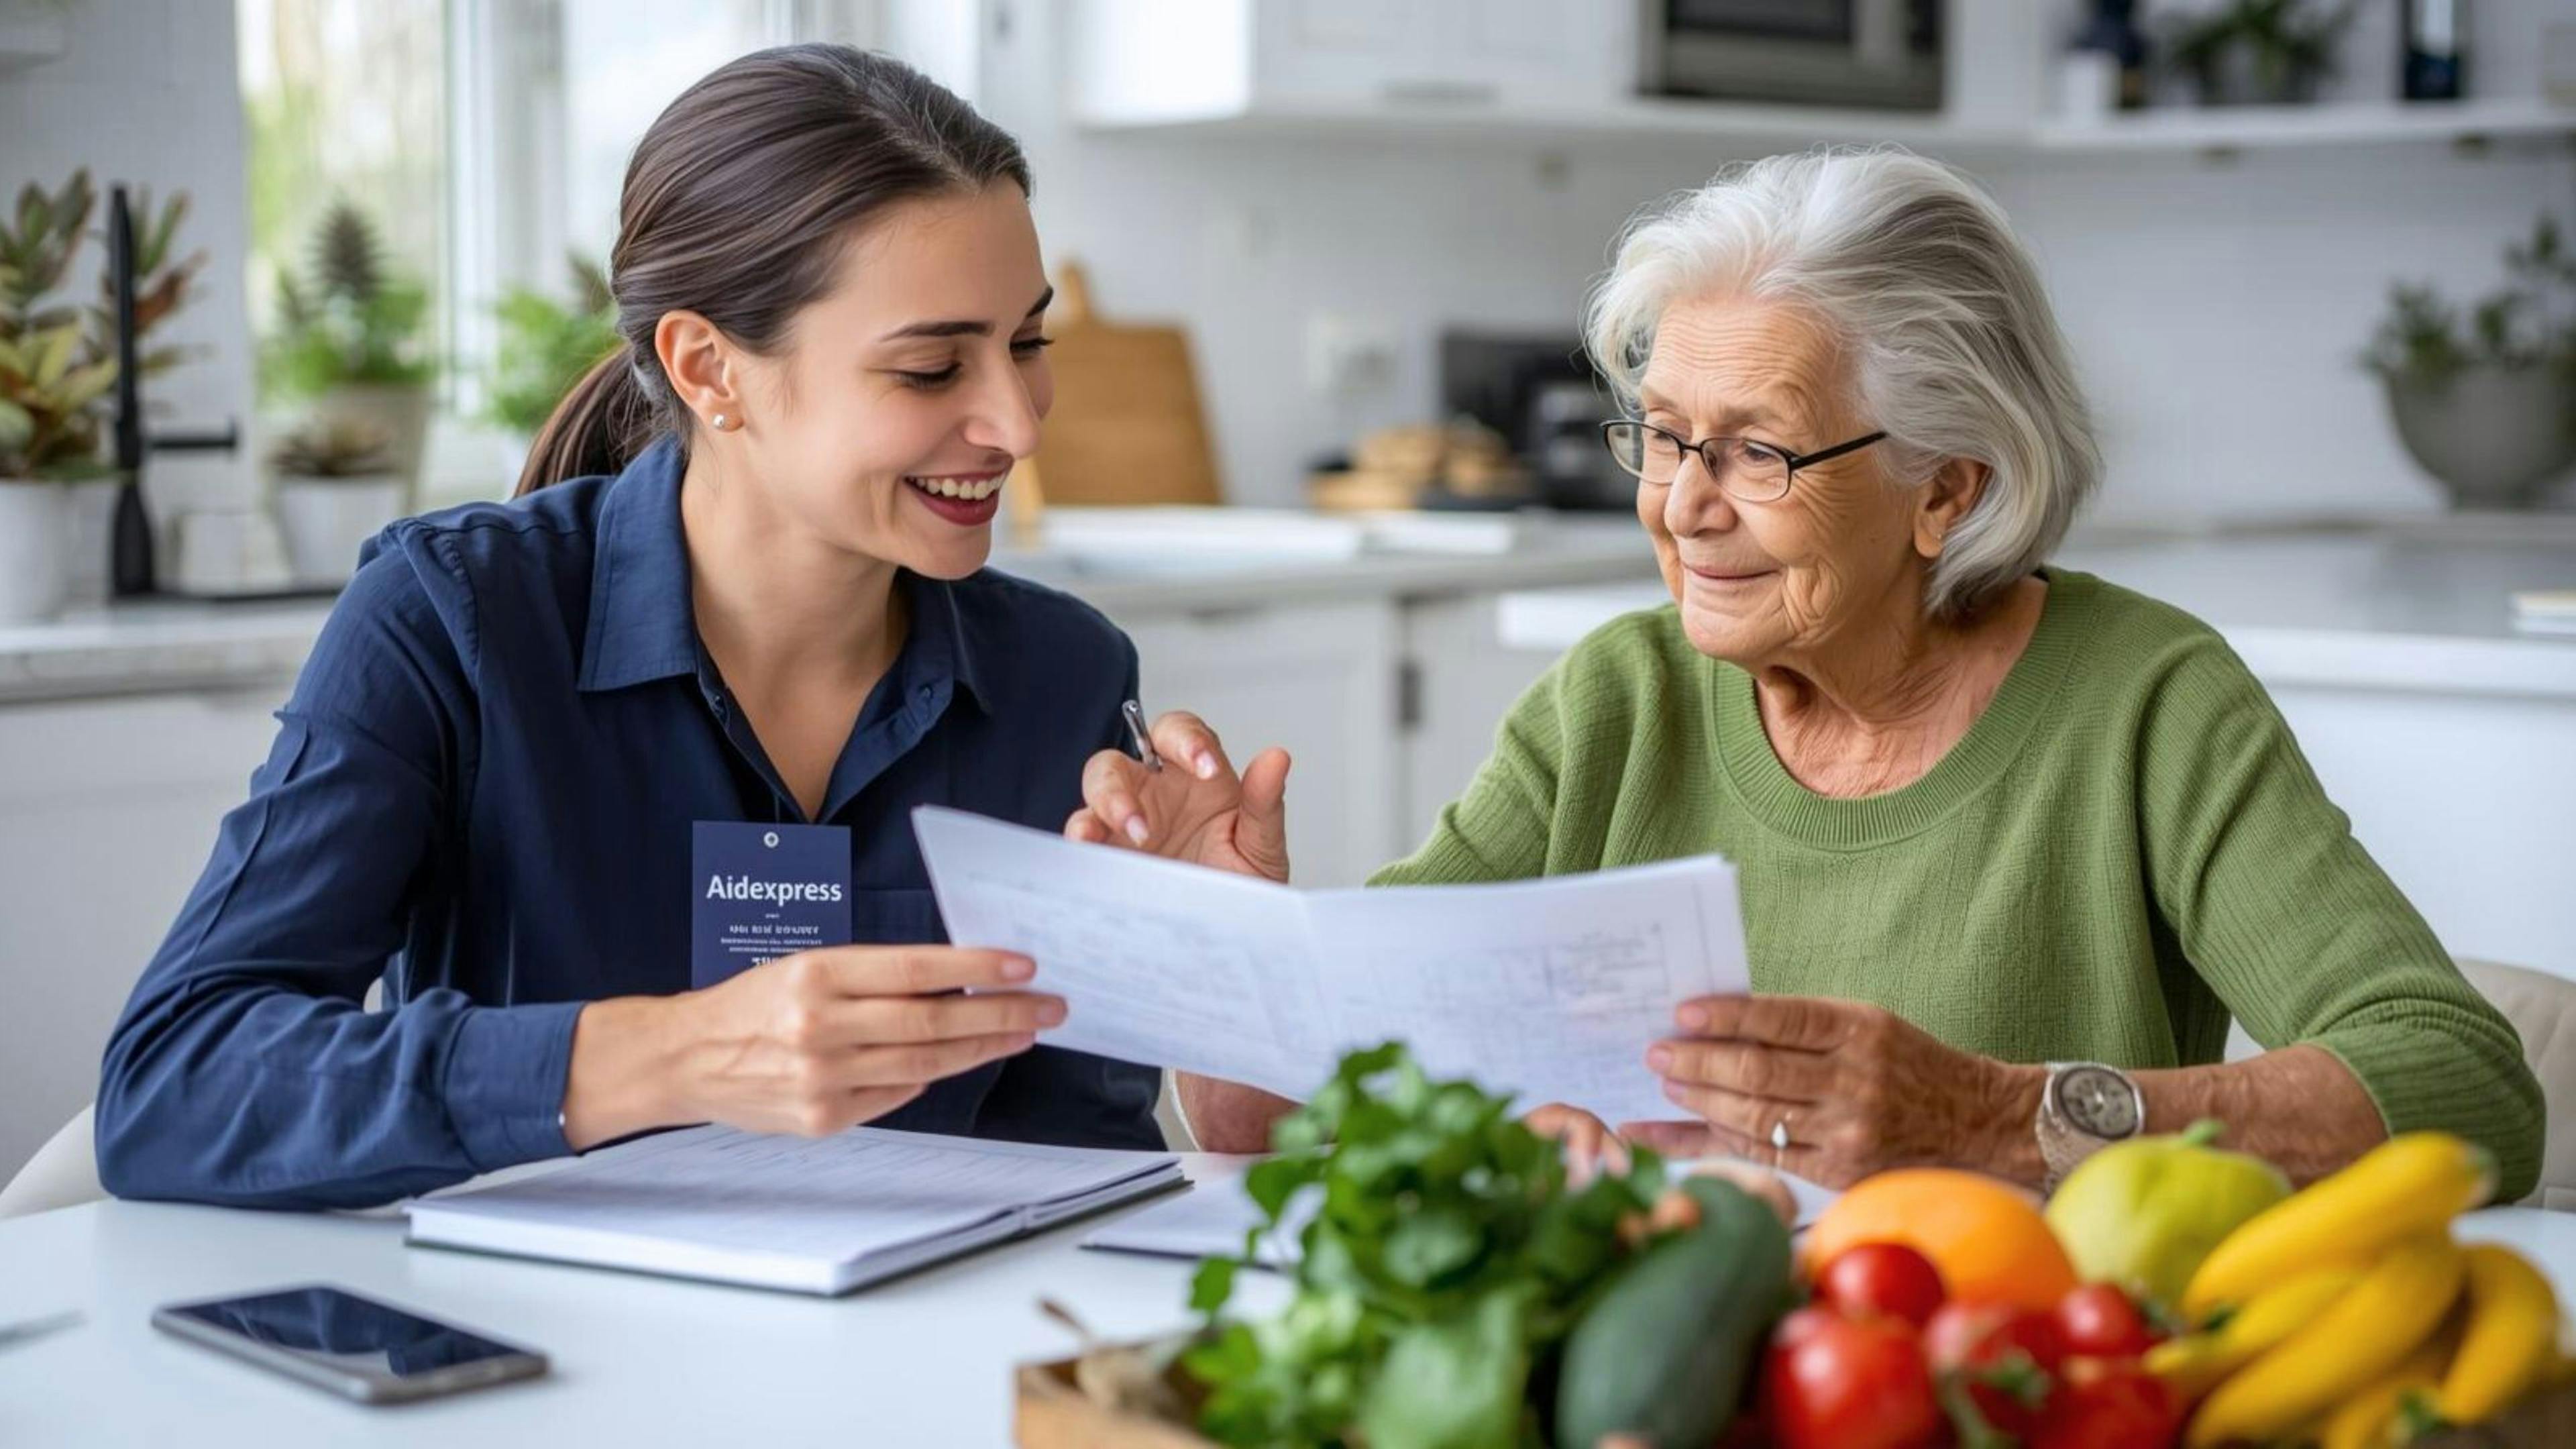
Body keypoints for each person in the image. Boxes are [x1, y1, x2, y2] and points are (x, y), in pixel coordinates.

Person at [1070, 150, 2544, 1199]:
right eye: (1661, 433)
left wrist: (2001, 1116)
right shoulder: (1616, 704)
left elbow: (2466, 1088)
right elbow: (1286, 1123)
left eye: (1757, 448)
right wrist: (1240, 974)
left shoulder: (2145, 703)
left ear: (1947, 490)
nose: (1682, 503)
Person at [96, 46, 1155, 1210]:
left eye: (1028, 345)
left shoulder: (1068, 675)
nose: (1015, 421)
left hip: (911, 1366)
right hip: (513, 1363)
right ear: (709, 370)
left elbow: (1081, 1166)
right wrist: (677, 1054)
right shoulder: (455, 623)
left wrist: (1198, 963)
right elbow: (174, 1085)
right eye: (929, 367)